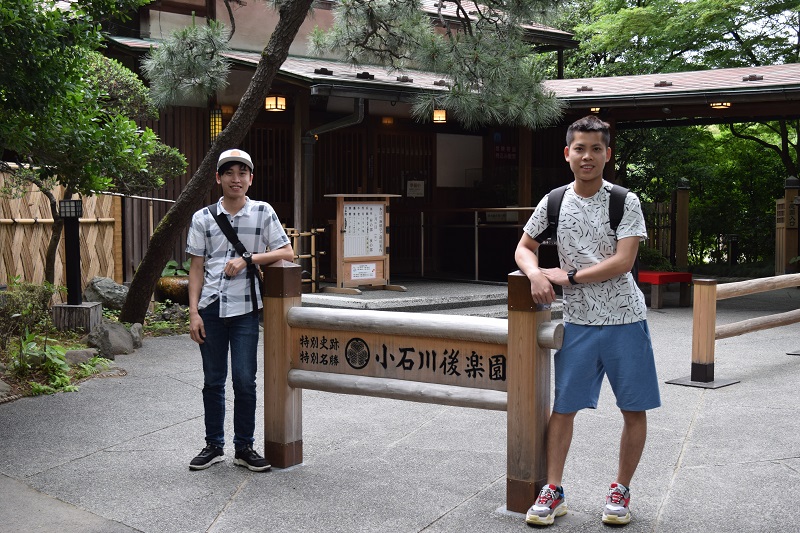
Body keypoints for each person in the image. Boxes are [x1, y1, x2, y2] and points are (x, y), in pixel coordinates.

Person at [514, 115, 660, 526]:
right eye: (580, 148)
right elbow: (524, 247)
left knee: (633, 408)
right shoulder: (555, 201)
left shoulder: (624, 201)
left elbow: (624, 260)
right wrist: (536, 273)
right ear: (567, 153)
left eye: (596, 149)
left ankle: (620, 490)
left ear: (607, 155)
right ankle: (554, 489)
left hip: (625, 320)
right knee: (564, 408)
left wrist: (569, 276)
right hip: (578, 322)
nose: (588, 156)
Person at [186, 148, 294, 472]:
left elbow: (287, 251)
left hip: (246, 307)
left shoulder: (262, 212)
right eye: (229, 173)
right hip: (211, 307)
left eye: (242, 173)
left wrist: (248, 259)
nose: (236, 179)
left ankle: (244, 446)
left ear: (251, 178)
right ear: (218, 178)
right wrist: (193, 312)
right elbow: (196, 267)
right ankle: (213, 445)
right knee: (213, 380)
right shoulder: (202, 218)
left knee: (245, 380)